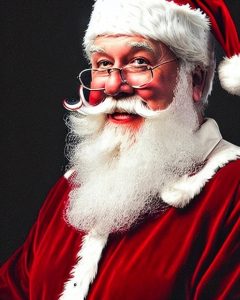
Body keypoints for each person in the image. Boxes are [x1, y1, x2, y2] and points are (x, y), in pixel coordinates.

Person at [1, 0, 240, 299]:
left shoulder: (232, 194)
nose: (113, 85)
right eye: (102, 64)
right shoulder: (74, 187)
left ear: (195, 79)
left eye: (140, 62)